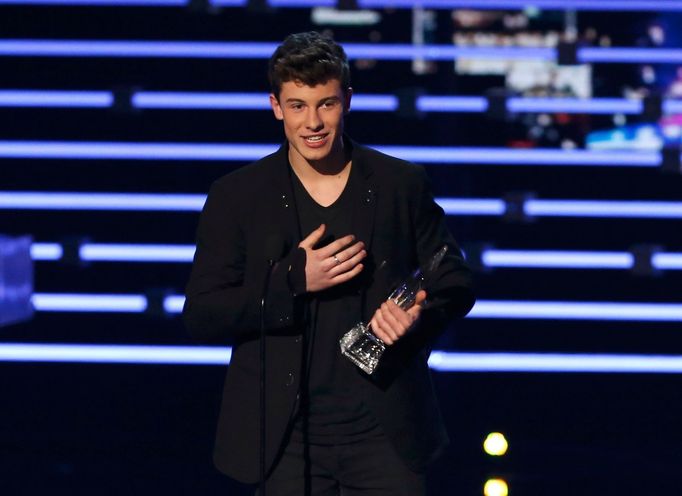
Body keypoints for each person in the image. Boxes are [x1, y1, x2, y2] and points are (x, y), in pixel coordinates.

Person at [183, 31, 475, 496]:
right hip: (284, 437)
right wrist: (293, 281)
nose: (312, 122)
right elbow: (202, 316)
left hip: (385, 431)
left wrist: (419, 312)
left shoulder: (400, 183)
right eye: (298, 105)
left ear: (348, 101)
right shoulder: (237, 196)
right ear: (276, 106)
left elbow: (454, 278)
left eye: (326, 104)